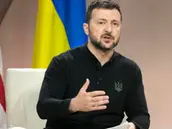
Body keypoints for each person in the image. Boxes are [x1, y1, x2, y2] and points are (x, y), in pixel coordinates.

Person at [36, 0, 150, 129]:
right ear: (86, 28)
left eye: (115, 24)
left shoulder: (130, 70)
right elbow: (43, 108)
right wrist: (73, 105)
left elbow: (141, 116)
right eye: (101, 23)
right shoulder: (62, 63)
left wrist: (133, 126)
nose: (109, 29)